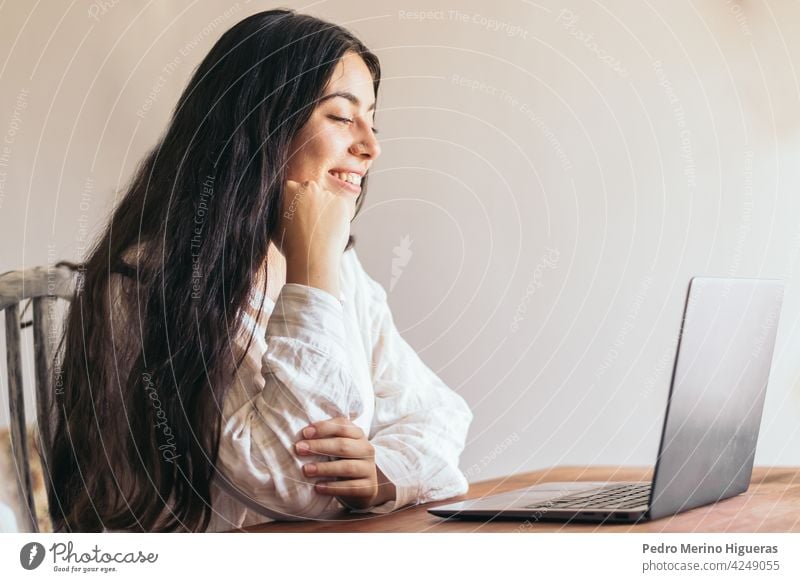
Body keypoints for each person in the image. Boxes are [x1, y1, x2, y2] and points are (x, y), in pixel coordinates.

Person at [46, 9, 472, 532]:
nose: (370, 146)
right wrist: (312, 273)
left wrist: (382, 473)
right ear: (261, 123)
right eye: (342, 117)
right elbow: (289, 486)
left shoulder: (345, 272)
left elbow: (438, 417)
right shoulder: (141, 289)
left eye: (372, 121)